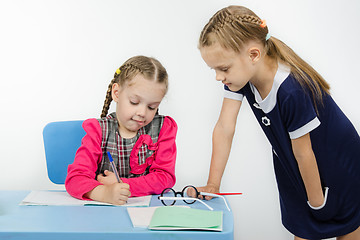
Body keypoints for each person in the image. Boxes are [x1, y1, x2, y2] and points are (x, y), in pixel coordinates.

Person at [196, 5, 360, 240]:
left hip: (337, 163)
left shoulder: (292, 89)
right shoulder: (240, 77)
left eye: (223, 69)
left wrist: (316, 203)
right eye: (214, 69)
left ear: (253, 55)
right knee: (304, 230)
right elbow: (224, 127)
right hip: (296, 161)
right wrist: (213, 184)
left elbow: (305, 153)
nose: (218, 77)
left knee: (344, 229)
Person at [65, 55, 177, 205]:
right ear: (116, 93)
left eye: (152, 107)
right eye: (134, 102)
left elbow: (165, 178)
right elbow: (75, 179)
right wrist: (104, 193)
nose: (143, 113)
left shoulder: (164, 129)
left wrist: (124, 185)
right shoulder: (98, 131)